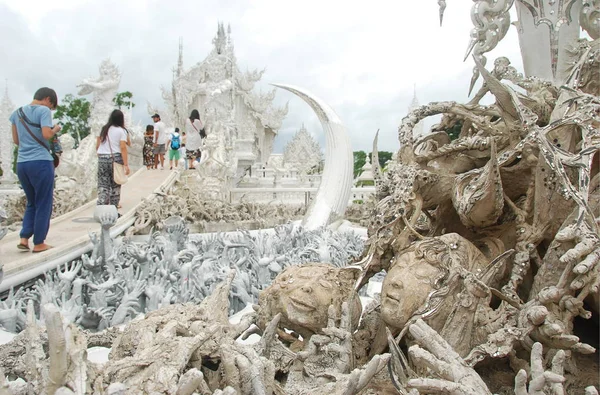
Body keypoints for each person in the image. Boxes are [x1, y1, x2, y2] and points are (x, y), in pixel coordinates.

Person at [10, 87, 61, 253]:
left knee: (31, 202)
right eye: (52, 106)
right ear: (48, 99)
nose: (50, 109)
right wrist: (55, 130)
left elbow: (16, 140)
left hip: (22, 164)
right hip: (40, 162)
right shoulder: (43, 110)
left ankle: (24, 238)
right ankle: (39, 242)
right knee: (44, 202)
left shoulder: (17, 113)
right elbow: (47, 134)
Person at [96, 109, 130, 210]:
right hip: (115, 158)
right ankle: (113, 209)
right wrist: (126, 165)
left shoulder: (104, 129)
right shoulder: (121, 131)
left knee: (103, 183)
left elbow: (97, 145)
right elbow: (123, 147)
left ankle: (101, 207)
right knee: (115, 184)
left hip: (102, 158)